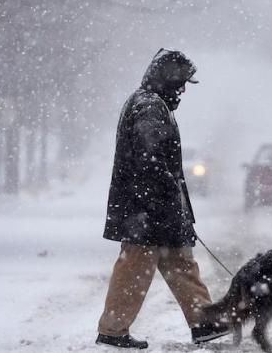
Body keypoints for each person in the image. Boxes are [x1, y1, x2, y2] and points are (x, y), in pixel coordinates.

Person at [96, 48, 228, 349]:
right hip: (147, 210)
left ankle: (203, 322)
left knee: (180, 263)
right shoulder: (149, 107)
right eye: (180, 83)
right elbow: (150, 159)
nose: (182, 90)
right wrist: (167, 198)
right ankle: (113, 330)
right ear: (166, 79)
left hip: (153, 208)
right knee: (135, 268)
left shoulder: (151, 103)